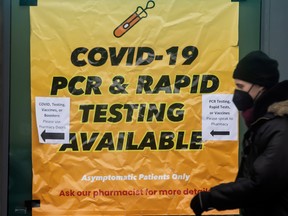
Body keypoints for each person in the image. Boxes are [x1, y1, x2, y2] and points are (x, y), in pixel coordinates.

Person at [190, 50, 288, 216]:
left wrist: (210, 199)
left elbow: (261, 184)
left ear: (260, 87)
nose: (237, 93)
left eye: (241, 87)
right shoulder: (263, 124)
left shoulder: (279, 127)